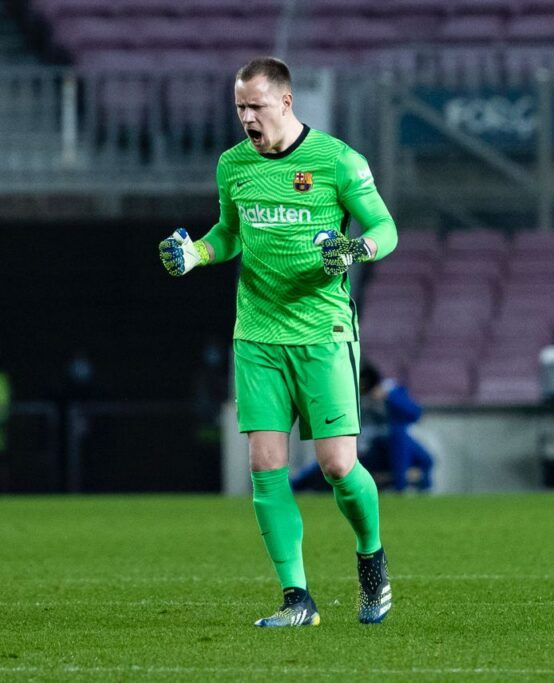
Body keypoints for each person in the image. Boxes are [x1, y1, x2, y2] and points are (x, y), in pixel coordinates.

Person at [158, 57, 396, 626]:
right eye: (239, 107)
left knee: (338, 467)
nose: (246, 117)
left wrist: (355, 250)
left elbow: (384, 229)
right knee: (265, 465)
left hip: (322, 330)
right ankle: (298, 599)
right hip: (258, 333)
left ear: (286, 103)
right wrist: (196, 254)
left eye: (255, 106)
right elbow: (229, 234)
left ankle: (372, 562)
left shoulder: (338, 161)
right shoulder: (234, 165)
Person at [292, 361, 433, 493]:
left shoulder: (390, 391)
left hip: (395, 448)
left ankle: (414, 492)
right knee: (331, 463)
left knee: (421, 455)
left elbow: (415, 414)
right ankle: (294, 486)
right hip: (369, 450)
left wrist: (389, 397)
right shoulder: (350, 397)